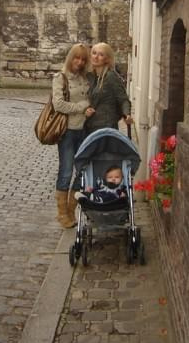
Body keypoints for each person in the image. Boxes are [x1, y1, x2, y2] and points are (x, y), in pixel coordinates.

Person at [52, 43, 90, 228]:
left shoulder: (86, 79)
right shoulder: (61, 78)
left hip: (85, 131)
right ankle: (62, 214)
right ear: (70, 57)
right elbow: (58, 104)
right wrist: (81, 107)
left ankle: (70, 209)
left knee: (82, 171)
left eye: (83, 59)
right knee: (66, 171)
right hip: (67, 131)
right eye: (77, 57)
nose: (80, 62)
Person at [84, 42, 133, 134]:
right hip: (90, 127)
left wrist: (127, 114)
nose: (96, 57)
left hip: (106, 128)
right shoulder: (90, 76)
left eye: (101, 55)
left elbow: (123, 99)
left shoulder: (110, 77)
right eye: (94, 53)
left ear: (106, 59)